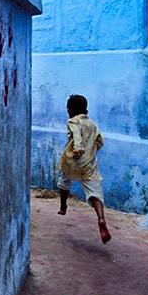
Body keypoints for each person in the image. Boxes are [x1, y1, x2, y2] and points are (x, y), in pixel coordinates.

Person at [54, 93, 111, 243]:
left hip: (72, 159)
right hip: (88, 163)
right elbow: (100, 141)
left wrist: (78, 148)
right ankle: (101, 218)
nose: (67, 111)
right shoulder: (92, 124)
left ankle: (63, 207)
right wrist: (91, 151)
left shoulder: (73, 121)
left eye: (68, 109)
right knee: (94, 191)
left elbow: (76, 134)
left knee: (64, 181)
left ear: (72, 109)